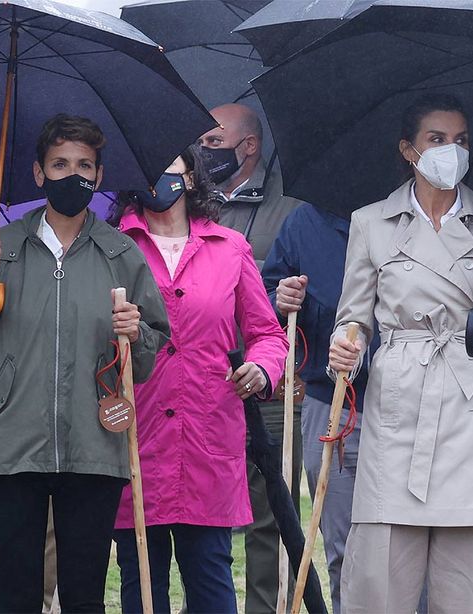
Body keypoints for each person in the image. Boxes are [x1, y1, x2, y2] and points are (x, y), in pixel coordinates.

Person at [330, 93, 473, 613]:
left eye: (461, 140)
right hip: (396, 398)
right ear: (409, 150)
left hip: (465, 403)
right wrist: (347, 343)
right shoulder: (371, 222)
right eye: (437, 139)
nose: (452, 151)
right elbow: (354, 314)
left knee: (463, 583)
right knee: (380, 578)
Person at [0, 114, 170, 612]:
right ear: (37, 172)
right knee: (17, 596)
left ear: (97, 174)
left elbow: (149, 351)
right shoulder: (0, 249)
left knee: (84, 596)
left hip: (94, 446)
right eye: (59, 164)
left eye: (84, 166)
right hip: (7, 445)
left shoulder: (121, 254)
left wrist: (135, 335)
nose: (72, 175)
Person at [108, 148, 288, 613]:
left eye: (168, 170)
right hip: (136, 438)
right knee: (141, 587)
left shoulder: (230, 248)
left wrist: (262, 369)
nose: (158, 181)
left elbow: (267, 333)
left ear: (190, 178)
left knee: (211, 583)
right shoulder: (112, 246)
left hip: (208, 440)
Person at [198, 103, 302, 613]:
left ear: (251, 147)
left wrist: (261, 281)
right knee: (203, 514)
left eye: (216, 143)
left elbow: (314, 288)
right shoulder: (192, 200)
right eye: (202, 143)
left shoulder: (292, 205)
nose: (205, 151)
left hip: (268, 383)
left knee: (270, 517)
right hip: (201, 383)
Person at [261, 203, 379, 614]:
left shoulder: (409, 216)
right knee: (341, 545)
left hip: (404, 404)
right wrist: (282, 298)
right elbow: (266, 297)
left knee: (404, 545)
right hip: (327, 402)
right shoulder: (303, 222)